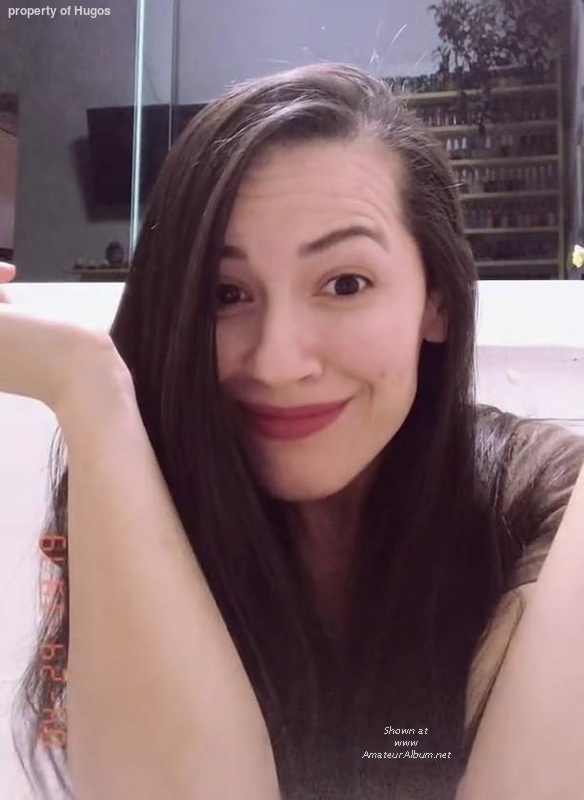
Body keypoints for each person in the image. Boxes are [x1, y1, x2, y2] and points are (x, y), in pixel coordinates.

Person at [3, 62, 584, 800]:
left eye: (345, 283)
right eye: (227, 293)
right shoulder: (144, 485)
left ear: (435, 299)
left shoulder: (552, 504)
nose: (277, 362)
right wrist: (85, 386)